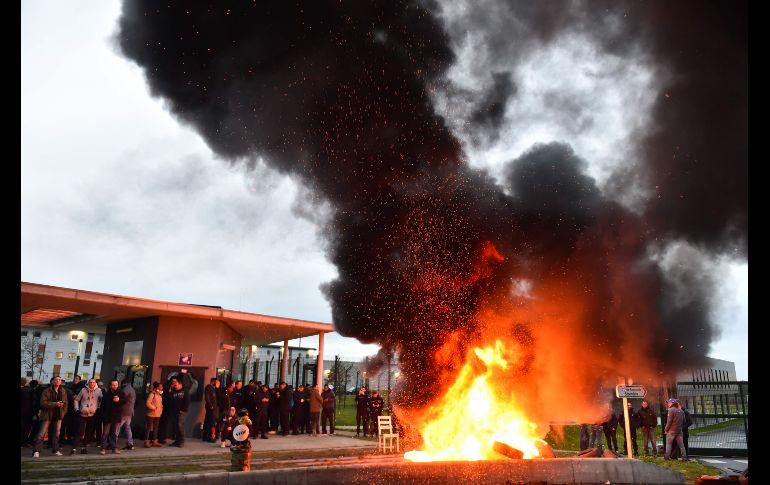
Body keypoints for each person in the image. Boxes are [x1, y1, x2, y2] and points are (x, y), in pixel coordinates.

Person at [32, 376, 68, 458]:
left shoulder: (63, 391)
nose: (58, 381)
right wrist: (55, 404)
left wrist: (63, 412)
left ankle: (55, 450)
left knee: (57, 434)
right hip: (47, 414)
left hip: (58, 415)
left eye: (59, 380)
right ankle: (36, 451)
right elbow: (43, 403)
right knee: (41, 433)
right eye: (56, 380)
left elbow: (66, 403)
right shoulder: (46, 390)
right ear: (52, 382)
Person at [71, 378, 101, 455]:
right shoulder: (83, 390)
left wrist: (98, 408)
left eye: (93, 382)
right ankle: (74, 448)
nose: (91, 384)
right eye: (90, 382)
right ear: (88, 383)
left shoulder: (99, 391)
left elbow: (101, 400)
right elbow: (76, 400)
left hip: (92, 414)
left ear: (95, 383)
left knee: (89, 432)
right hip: (82, 413)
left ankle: (84, 448)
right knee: (79, 431)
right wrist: (77, 409)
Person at [113, 378, 136, 451]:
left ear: (124, 383)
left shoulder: (126, 389)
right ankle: (130, 443)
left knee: (117, 427)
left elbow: (121, 398)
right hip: (130, 412)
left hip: (124, 411)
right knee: (127, 427)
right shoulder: (132, 389)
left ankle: (114, 444)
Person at [99, 380, 120, 454]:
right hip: (107, 417)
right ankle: (103, 448)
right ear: (110, 386)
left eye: (116, 385)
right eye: (113, 385)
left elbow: (124, 401)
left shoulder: (120, 393)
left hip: (115, 417)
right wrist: (103, 416)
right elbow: (103, 406)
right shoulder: (106, 394)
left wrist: (118, 400)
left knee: (114, 433)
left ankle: (114, 447)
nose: (115, 386)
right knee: (105, 433)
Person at [169, 379, 190, 447]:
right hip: (174, 411)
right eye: (174, 385)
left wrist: (183, 410)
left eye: (176, 385)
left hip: (181, 412)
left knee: (180, 426)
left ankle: (181, 441)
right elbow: (171, 399)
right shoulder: (174, 391)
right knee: (176, 426)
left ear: (180, 384)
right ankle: (177, 441)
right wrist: (171, 389)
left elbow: (187, 401)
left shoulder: (185, 391)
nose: (175, 386)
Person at [144, 381, 163, 447]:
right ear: (157, 387)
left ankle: (155, 441)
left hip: (158, 414)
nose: (161, 388)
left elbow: (160, 404)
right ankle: (146, 441)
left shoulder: (159, 395)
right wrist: (154, 408)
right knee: (149, 428)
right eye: (160, 387)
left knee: (156, 428)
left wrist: (161, 409)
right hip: (151, 414)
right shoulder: (152, 394)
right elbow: (148, 403)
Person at [203, 378, 220, 442]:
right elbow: (207, 397)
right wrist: (210, 405)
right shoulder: (208, 387)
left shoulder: (214, 388)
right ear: (213, 382)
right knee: (210, 422)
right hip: (211, 408)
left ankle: (207, 436)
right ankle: (209, 437)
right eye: (216, 382)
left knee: (209, 421)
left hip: (213, 407)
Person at [21, 378, 33, 448]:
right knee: (25, 428)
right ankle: (23, 442)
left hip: (25, 413)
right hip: (25, 413)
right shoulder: (27, 391)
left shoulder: (26, 390)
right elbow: (27, 404)